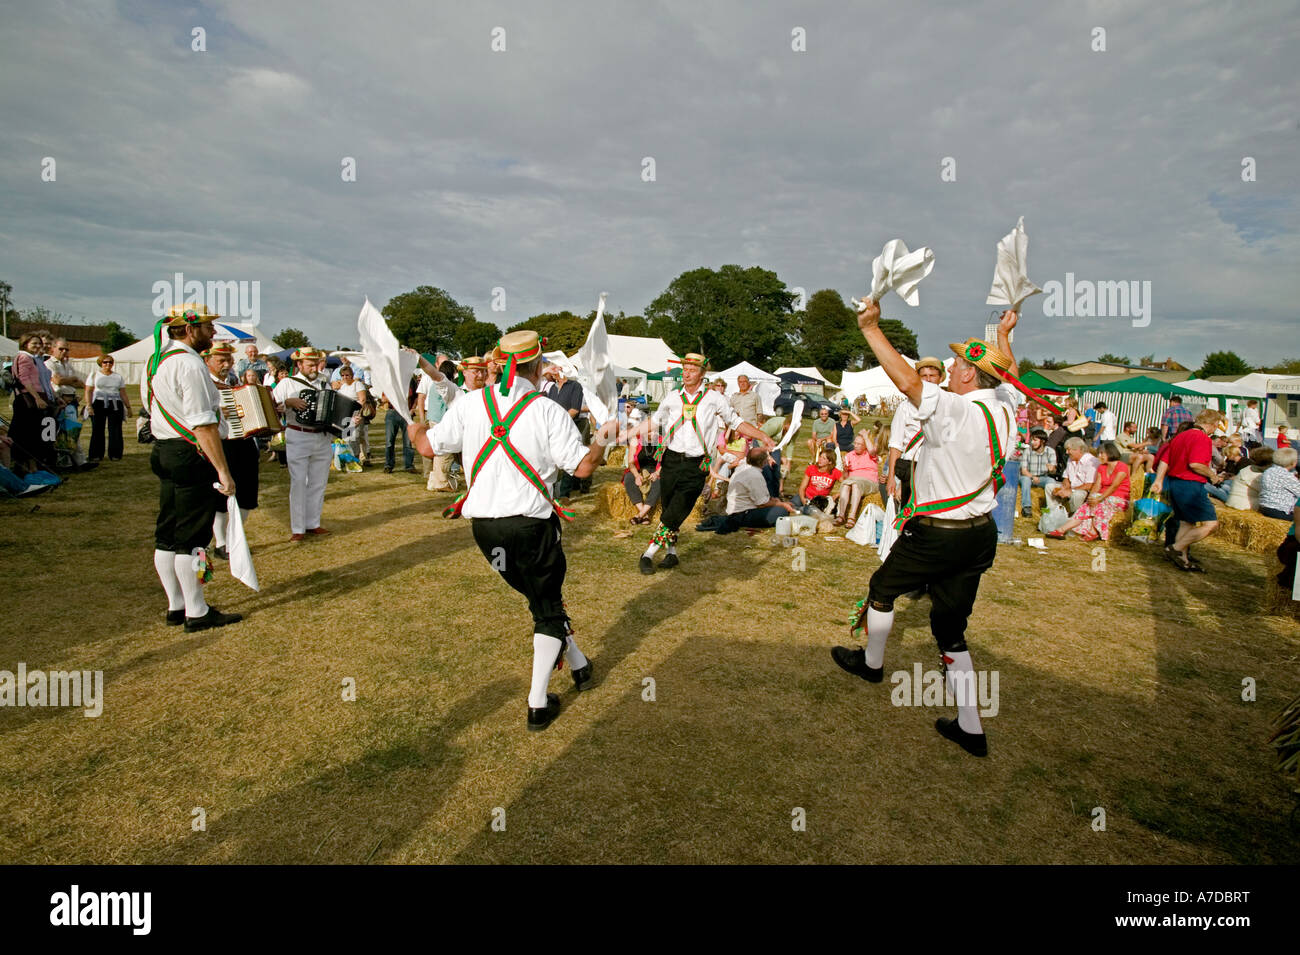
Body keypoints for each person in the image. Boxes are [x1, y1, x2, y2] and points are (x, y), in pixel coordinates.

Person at [832, 302, 1037, 758]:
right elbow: (1009, 373)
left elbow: (906, 381)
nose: (951, 366)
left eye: (959, 362)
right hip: (979, 534)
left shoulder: (957, 410)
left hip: (939, 533)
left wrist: (870, 328)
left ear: (968, 376)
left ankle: (871, 664)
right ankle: (971, 725)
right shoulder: (1003, 405)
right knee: (950, 630)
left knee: (882, 588)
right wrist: (1005, 335)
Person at [408, 330, 616, 731]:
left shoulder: (471, 404)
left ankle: (580, 665)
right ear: (537, 367)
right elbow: (583, 468)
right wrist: (605, 438)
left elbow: (428, 448)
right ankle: (538, 703)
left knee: (542, 601)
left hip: (485, 532)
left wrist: (415, 426)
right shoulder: (547, 409)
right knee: (547, 609)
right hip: (531, 526)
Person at [622, 353, 774, 574]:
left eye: (692, 370)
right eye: (684, 369)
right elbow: (654, 422)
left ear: (703, 374)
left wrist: (761, 434)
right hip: (671, 460)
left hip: (697, 464)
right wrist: (629, 432)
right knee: (670, 506)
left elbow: (736, 421)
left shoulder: (714, 398)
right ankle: (672, 554)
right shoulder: (673, 397)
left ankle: (648, 553)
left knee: (677, 509)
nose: (686, 373)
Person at [145, 304, 242, 632]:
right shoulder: (190, 364)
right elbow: (203, 425)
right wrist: (223, 471)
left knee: (168, 534)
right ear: (189, 330)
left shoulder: (158, 360)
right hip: (189, 455)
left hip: (165, 450)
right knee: (194, 539)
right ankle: (197, 611)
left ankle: (176, 605)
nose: (213, 333)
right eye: (208, 327)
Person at [203, 343, 260, 560]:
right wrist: (218, 410)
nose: (227, 364)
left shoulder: (235, 382)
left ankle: (235, 538)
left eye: (229, 359)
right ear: (208, 361)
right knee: (220, 495)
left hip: (242, 439)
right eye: (221, 360)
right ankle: (222, 542)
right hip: (218, 442)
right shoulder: (203, 382)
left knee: (246, 491)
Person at [1150, 408, 1225, 571]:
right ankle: (1175, 549)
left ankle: (1183, 560)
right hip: (1191, 485)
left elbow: (1166, 459)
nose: (1215, 430)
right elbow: (1196, 464)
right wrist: (1212, 476)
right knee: (1211, 524)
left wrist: (1159, 480)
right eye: (1216, 426)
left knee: (1186, 523)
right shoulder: (1202, 438)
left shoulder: (1179, 437)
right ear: (1211, 424)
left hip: (1175, 483)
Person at [271, 347, 334, 541]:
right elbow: (272, 405)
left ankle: (313, 523)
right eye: (310, 364)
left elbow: (332, 405)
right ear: (299, 365)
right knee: (299, 482)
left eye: (317, 363)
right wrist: (288, 402)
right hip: (298, 434)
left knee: (319, 482)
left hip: (322, 436)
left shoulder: (325, 383)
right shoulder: (287, 383)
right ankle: (297, 527)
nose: (315, 367)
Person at [886, 356, 945, 508]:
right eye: (924, 376)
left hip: (938, 466)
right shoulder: (905, 407)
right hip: (912, 466)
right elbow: (896, 444)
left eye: (932, 376)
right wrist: (891, 477)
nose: (928, 379)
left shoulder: (949, 403)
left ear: (940, 378)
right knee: (910, 515)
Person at [697, 446, 797, 533]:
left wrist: (775, 501)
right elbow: (761, 503)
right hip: (743, 513)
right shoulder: (755, 475)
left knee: (779, 505)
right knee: (781, 511)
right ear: (763, 462)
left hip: (736, 509)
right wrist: (781, 504)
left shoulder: (744, 466)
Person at [1046, 441, 1131, 541]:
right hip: (1103, 497)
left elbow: (1114, 486)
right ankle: (1061, 530)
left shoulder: (1122, 466)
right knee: (1086, 506)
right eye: (1099, 453)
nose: (1099, 456)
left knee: (1101, 503)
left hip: (1118, 498)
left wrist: (1100, 498)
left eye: (1101, 453)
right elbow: (1097, 485)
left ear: (1110, 453)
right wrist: (1092, 497)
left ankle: (1093, 531)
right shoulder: (1102, 467)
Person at [9, 332, 58, 474]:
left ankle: (34, 466)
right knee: (28, 435)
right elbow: (25, 380)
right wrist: (37, 397)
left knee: (37, 434)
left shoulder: (35, 359)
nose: (37, 346)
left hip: (38, 395)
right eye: (34, 343)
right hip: (28, 399)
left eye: (39, 343)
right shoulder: (24, 357)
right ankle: (28, 467)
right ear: (25, 344)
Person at [85, 355, 131, 462]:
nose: (108, 364)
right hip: (99, 402)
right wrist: (89, 405)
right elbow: (88, 391)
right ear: (101, 363)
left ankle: (115, 454)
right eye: (105, 362)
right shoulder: (94, 375)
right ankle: (96, 454)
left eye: (110, 362)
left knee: (115, 430)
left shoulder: (118, 377)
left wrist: (128, 407)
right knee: (97, 429)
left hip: (115, 403)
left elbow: (123, 393)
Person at [834, 432, 878, 528]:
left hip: (869, 482)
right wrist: (845, 470)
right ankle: (841, 515)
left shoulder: (870, 455)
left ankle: (852, 516)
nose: (856, 446)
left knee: (855, 484)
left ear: (865, 446)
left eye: (859, 444)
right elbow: (845, 478)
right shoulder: (849, 455)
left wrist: (866, 437)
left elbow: (872, 451)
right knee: (846, 484)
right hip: (853, 481)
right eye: (855, 443)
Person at [1045, 437, 1099, 514]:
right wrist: (1063, 487)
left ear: (1079, 449)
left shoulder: (1091, 461)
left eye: (1068, 449)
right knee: (1049, 487)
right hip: (1072, 487)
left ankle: (1074, 516)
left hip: (1084, 491)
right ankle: (1053, 513)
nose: (1066, 452)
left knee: (1077, 495)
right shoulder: (1071, 459)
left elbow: (1089, 485)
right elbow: (1066, 477)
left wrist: (1070, 491)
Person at [622, 431, 661, 524]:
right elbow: (631, 463)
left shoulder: (662, 441)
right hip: (638, 469)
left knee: (659, 482)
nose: (654, 433)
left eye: (656, 431)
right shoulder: (635, 440)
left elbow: (665, 462)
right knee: (628, 478)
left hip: (655, 470)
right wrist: (636, 476)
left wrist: (657, 473)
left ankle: (640, 515)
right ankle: (645, 515)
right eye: (651, 431)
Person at [334, 365, 370, 466]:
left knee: (355, 437)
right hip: (345, 416)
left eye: (347, 375)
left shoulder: (357, 384)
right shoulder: (343, 386)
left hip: (356, 415)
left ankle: (356, 459)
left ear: (352, 375)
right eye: (343, 375)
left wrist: (357, 415)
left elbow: (362, 400)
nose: (345, 377)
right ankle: (348, 459)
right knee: (347, 438)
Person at [1018, 428, 1056, 517]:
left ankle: (1050, 508)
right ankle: (1026, 507)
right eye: (1031, 440)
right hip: (1029, 476)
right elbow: (1024, 471)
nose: (1032, 442)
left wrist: (1052, 469)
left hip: (1042, 477)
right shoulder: (1027, 451)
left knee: (1051, 481)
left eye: (1035, 440)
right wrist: (1032, 477)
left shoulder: (1050, 452)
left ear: (1042, 441)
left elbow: (1053, 470)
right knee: (1025, 480)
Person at [1258, 447, 1300, 520]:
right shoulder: (1287, 476)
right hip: (1280, 511)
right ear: (1292, 463)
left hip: (1265, 508)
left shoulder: (1268, 471)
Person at [795, 449, 841, 515]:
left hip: (819, 501)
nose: (820, 459)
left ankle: (802, 510)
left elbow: (846, 483)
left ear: (830, 462)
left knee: (809, 511)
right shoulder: (811, 468)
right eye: (820, 457)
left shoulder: (835, 472)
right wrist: (802, 498)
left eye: (824, 458)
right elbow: (802, 487)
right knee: (790, 506)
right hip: (806, 496)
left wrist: (838, 494)